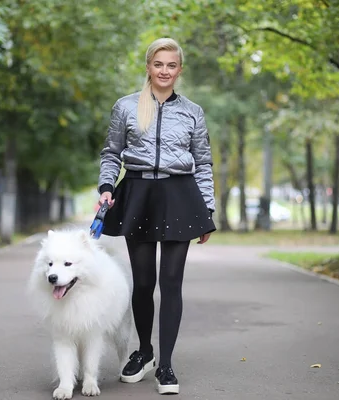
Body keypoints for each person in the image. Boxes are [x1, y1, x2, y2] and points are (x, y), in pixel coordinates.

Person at [95, 37, 216, 395]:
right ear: (148, 66)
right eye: (158, 64)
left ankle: (165, 365)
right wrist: (105, 185)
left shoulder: (193, 112)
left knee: (172, 282)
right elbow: (112, 152)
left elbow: (204, 162)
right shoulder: (126, 107)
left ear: (180, 70)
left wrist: (207, 207)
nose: (165, 71)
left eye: (172, 65)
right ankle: (144, 352)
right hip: (138, 193)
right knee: (144, 282)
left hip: (180, 195)